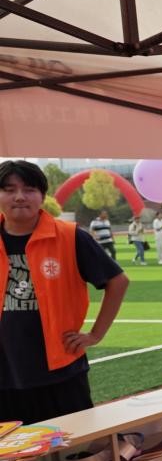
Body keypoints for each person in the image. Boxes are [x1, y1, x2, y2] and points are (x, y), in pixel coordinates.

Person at [0, 160, 128, 424]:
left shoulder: (70, 237)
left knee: (75, 442)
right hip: (5, 374)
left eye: (29, 189)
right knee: (14, 449)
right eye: (9, 190)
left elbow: (118, 281)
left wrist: (95, 334)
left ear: (42, 196)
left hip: (61, 371)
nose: (19, 197)